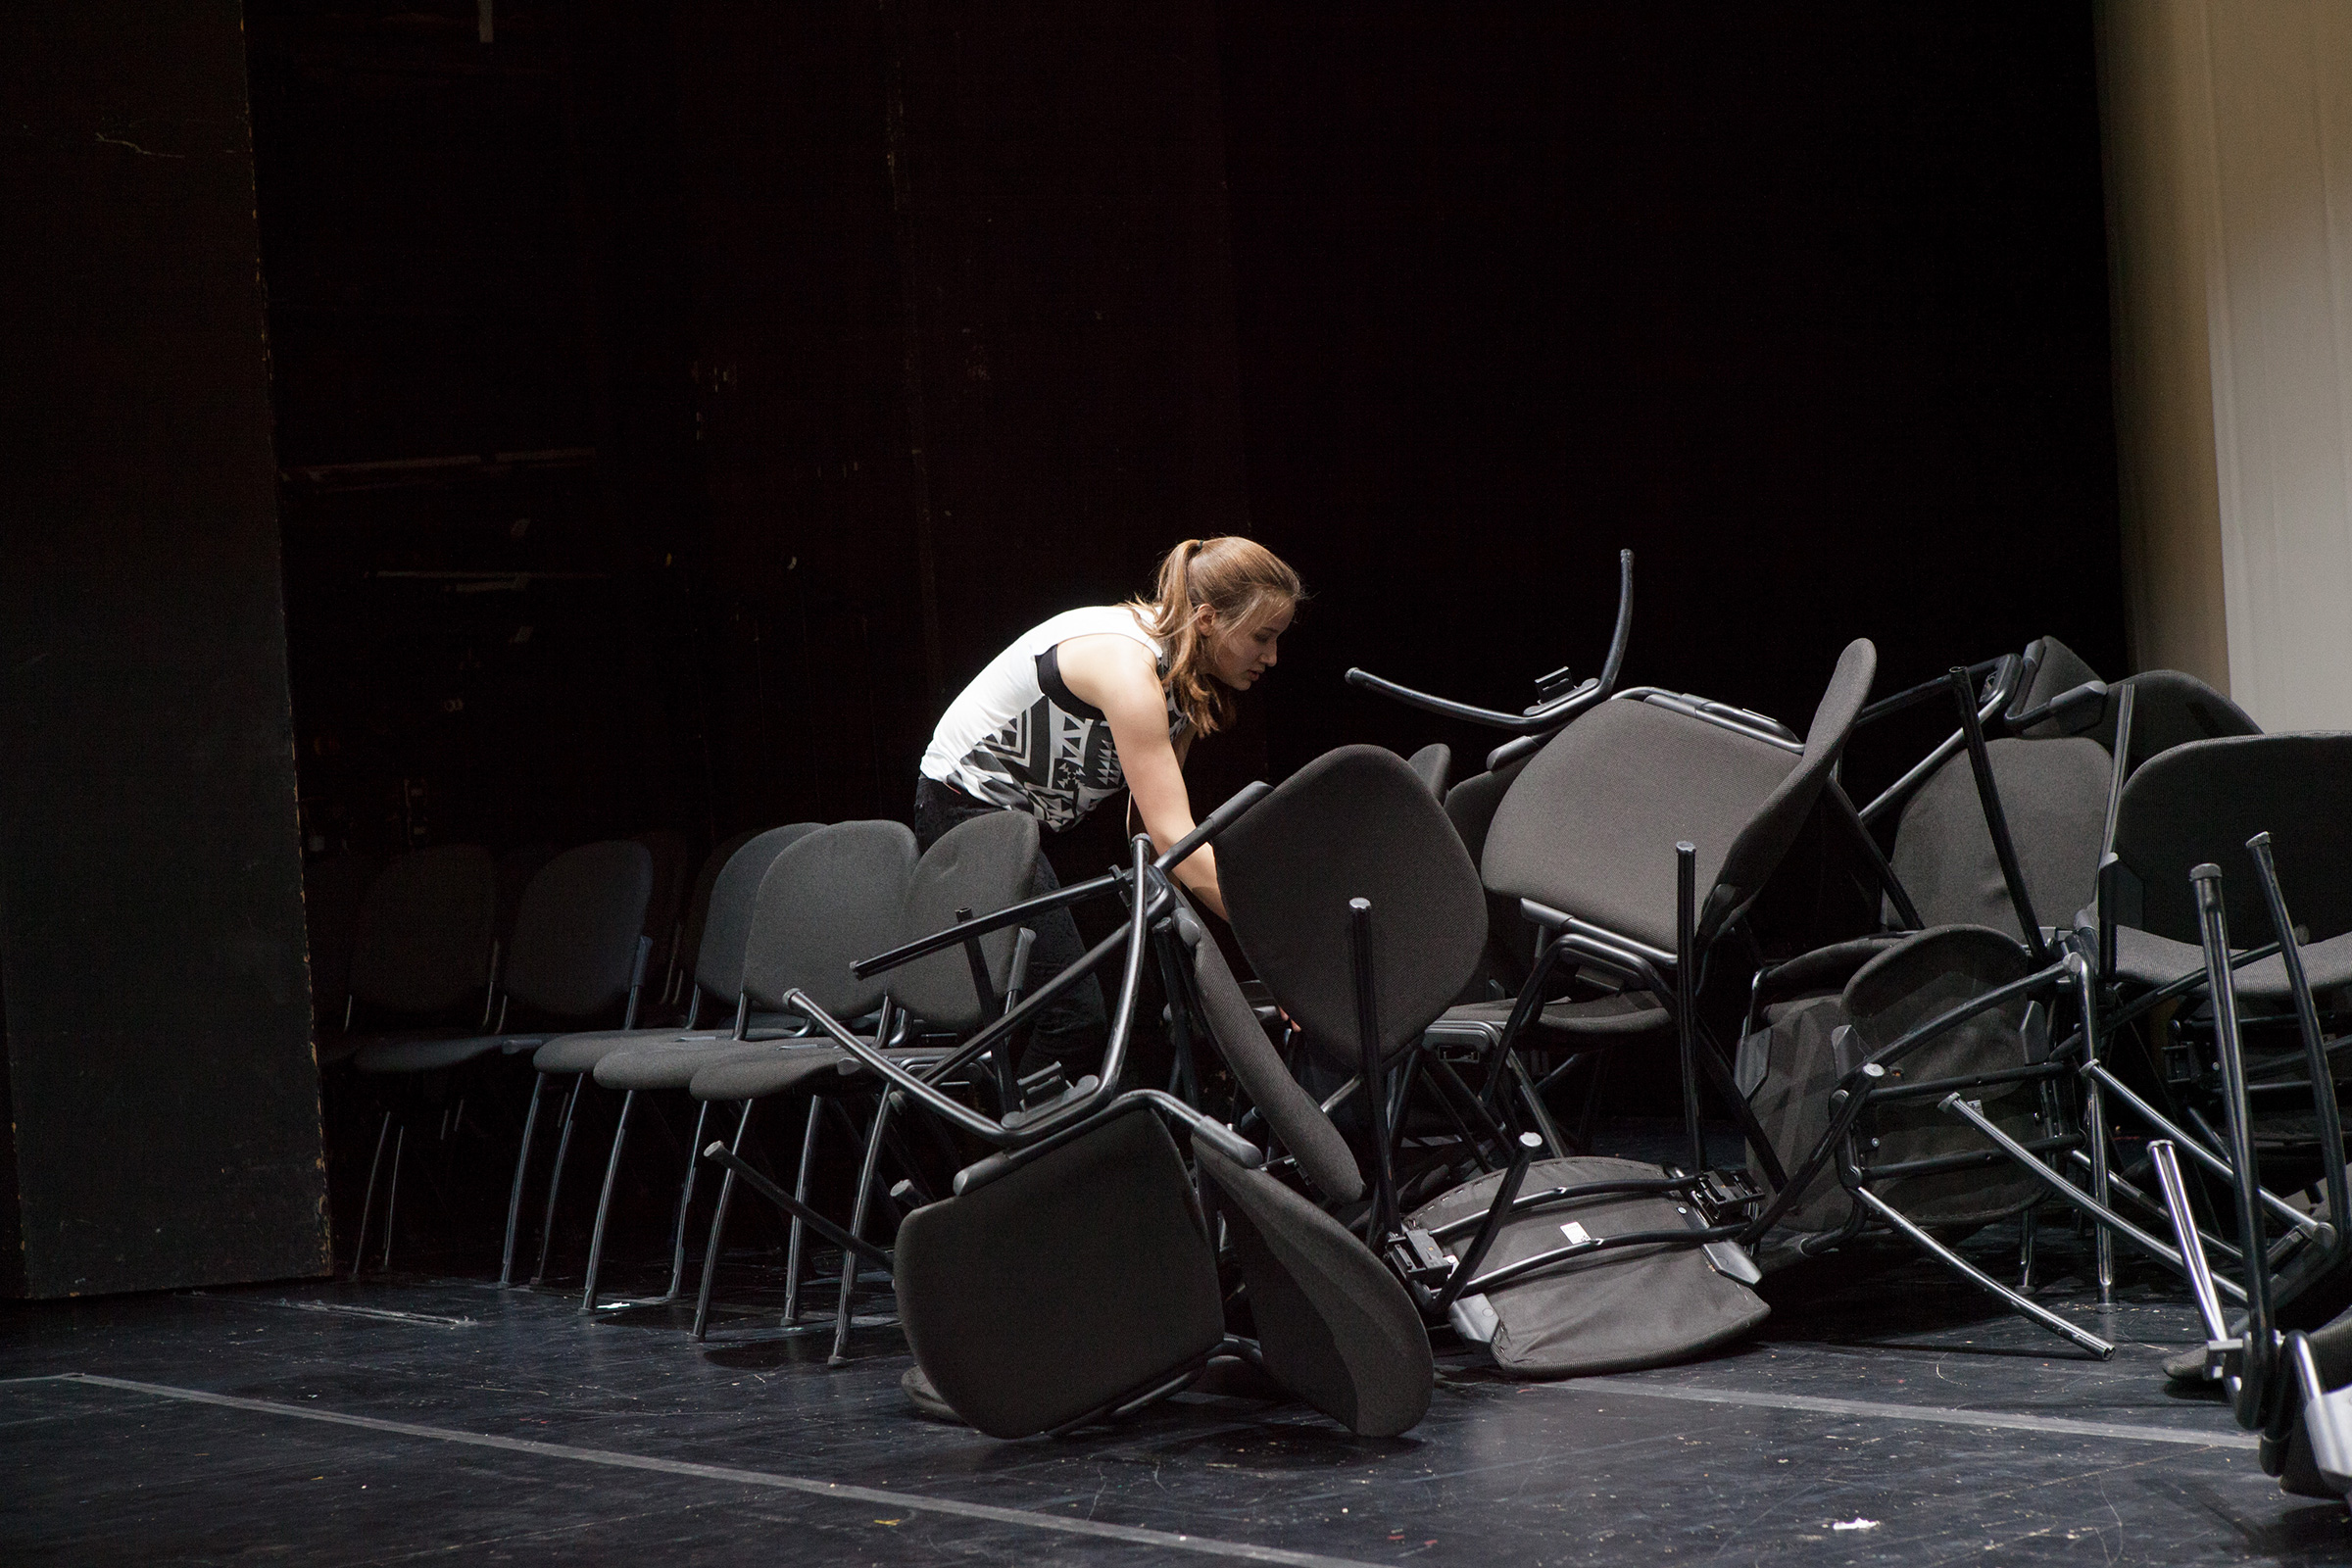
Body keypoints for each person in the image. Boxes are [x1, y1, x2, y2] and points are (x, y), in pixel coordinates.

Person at [913, 536, 1301, 1069]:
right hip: (965, 812)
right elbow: (1175, 839)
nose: (1272, 657)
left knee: (1124, 996)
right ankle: (1009, 1125)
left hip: (1033, 826)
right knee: (1072, 1015)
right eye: (1263, 636)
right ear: (1209, 619)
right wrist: (1287, 953)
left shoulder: (1182, 682)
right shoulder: (1129, 668)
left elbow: (1155, 834)